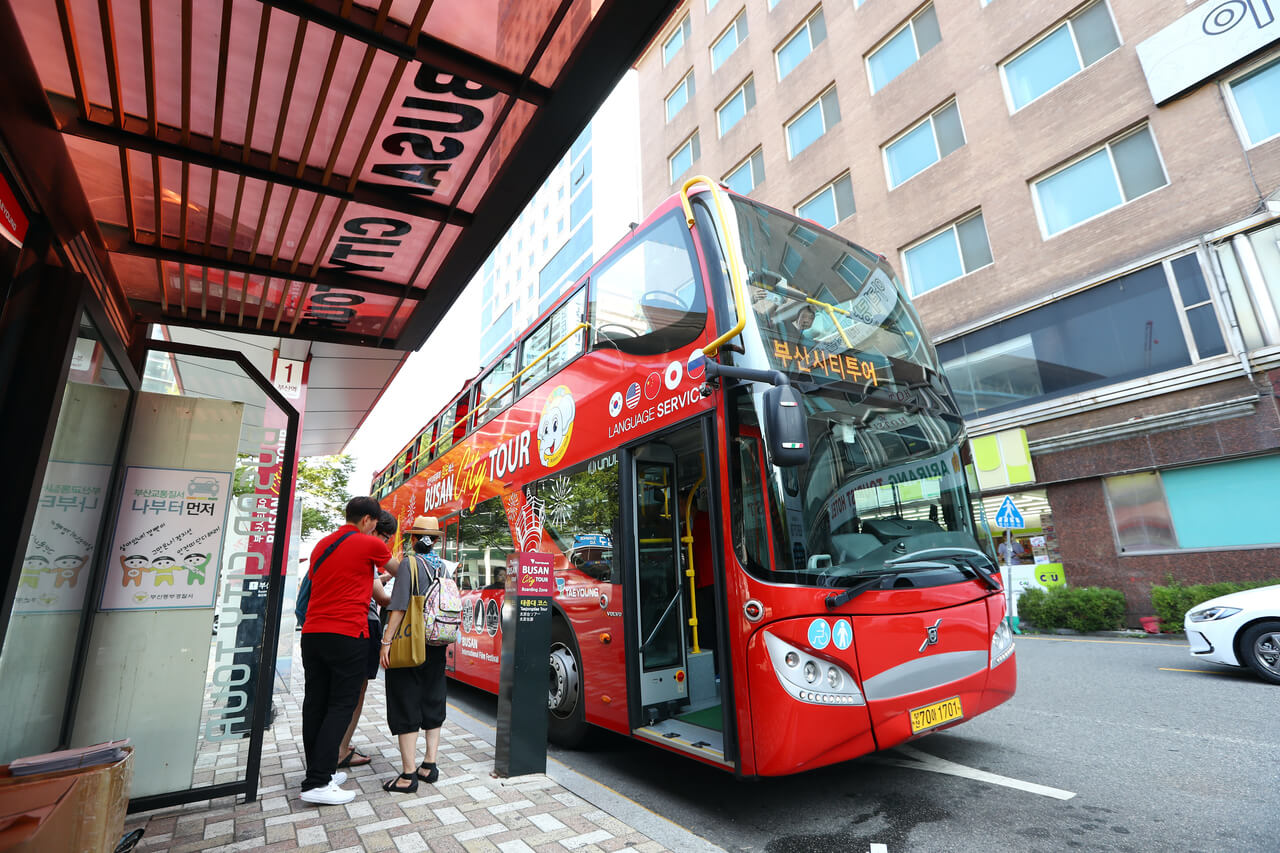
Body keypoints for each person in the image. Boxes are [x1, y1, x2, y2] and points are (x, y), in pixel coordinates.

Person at [298, 496, 390, 805]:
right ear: (367, 521)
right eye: (376, 525)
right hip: (347, 634)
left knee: (315, 704)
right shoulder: (369, 544)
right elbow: (402, 571)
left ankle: (318, 771)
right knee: (341, 705)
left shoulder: (321, 545)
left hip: (312, 634)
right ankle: (318, 781)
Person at [379, 515, 450, 793]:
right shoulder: (443, 566)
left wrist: (386, 642)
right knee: (433, 698)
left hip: (410, 642)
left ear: (412, 539)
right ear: (434, 541)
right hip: (437, 642)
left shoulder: (409, 563)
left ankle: (408, 776)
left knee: (404, 698)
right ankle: (429, 765)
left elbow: (397, 607)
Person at [335, 510, 397, 772]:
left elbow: (370, 581)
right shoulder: (369, 548)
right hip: (360, 626)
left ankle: (336, 747)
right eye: (385, 537)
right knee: (354, 692)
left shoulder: (337, 546)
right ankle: (339, 750)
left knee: (339, 692)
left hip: (327, 628)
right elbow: (382, 598)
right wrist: (403, 604)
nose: (385, 543)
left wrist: (382, 579)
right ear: (371, 526)